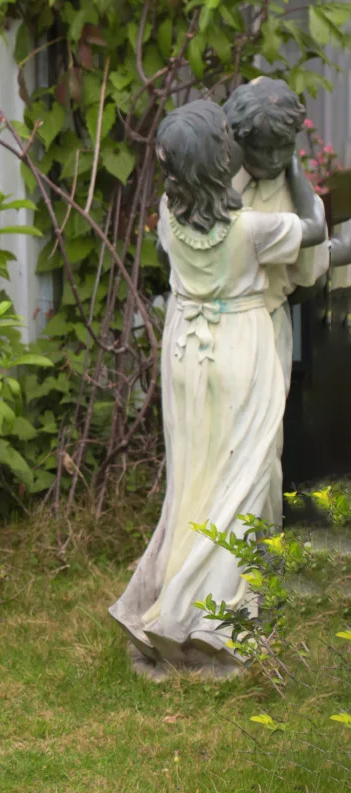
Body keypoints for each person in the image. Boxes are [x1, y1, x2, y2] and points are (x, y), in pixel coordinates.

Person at [109, 100, 326, 679]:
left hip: (184, 350)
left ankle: (171, 603)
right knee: (241, 482)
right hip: (238, 348)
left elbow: (169, 258)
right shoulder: (253, 228)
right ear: (223, 158)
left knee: (194, 482)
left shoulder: (167, 211)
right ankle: (208, 623)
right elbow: (315, 231)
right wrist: (298, 171)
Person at [223, 78, 329, 526]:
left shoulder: (295, 192)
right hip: (210, 330)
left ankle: (258, 559)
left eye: (281, 148)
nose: (270, 159)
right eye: (261, 148)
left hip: (266, 325)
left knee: (264, 445)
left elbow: (309, 274)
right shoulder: (213, 178)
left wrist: (298, 179)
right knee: (215, 444)